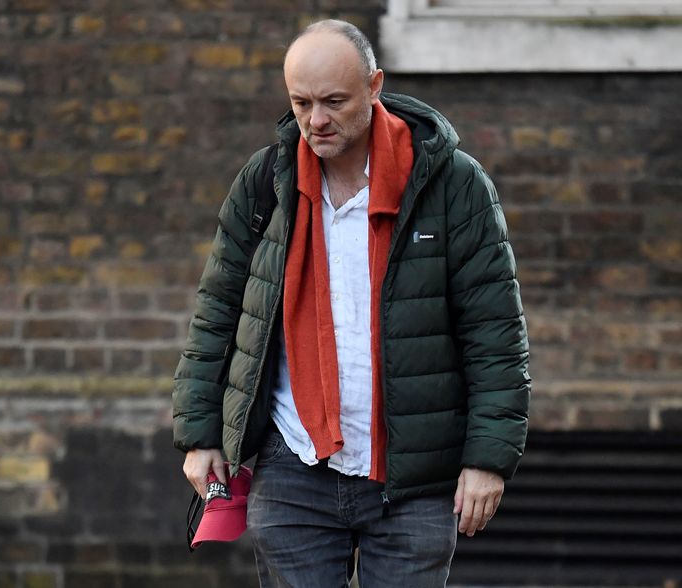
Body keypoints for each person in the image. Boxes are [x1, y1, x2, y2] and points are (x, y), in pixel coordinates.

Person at [173, 18, 530, 587]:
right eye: (301, 103)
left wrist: (487, 459)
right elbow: (218, 312)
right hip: (293, 466)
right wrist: (199, 436)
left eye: (334, 102)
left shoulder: (452, 185)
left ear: (374, 86)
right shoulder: (267, 182)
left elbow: (496, 333)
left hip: (414, 475)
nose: (315, 121)